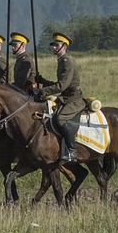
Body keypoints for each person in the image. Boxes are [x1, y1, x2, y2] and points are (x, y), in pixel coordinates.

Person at [35, 32, 84, 163]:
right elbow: (60, 85)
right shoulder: (61, 61)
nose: (54, 47)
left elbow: (62, 86)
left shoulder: (67, 61)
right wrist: (43, 81)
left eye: (56, 45)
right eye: (53, 45)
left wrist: (43, 91)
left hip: (73, 99)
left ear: (64, 46)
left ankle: (72, 151)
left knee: (61, 119)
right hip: (66, 97)